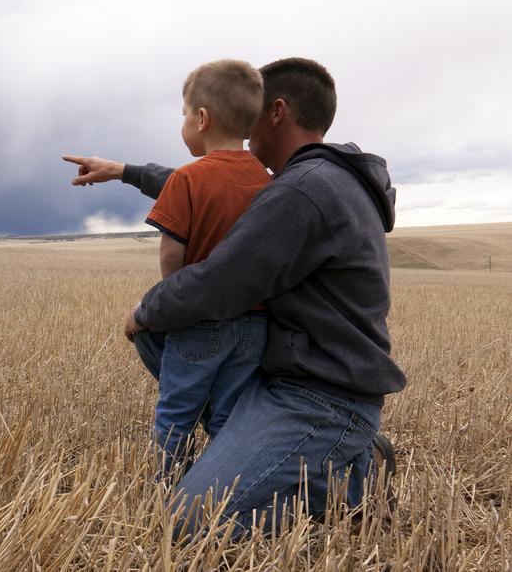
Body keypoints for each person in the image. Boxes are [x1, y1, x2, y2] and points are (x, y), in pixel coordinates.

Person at [63, 57, 405, 536]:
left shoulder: (305, 191)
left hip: (322, 399)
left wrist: (144, 311)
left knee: (187, 522)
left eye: (254, 111)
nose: (243, 126)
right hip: (288, 376)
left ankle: (351, 479)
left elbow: (216, 282)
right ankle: (259, 450)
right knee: (162, 338)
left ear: (277, 112)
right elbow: (210, 186)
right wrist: (124, 171)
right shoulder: (307, 182)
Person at [135, 59, 272, 481]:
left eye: (183, 114)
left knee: (177, 411)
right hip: (255, 324)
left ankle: (168, 491)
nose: (183, 123)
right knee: (228, 414)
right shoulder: (268, 180)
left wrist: (173, 299)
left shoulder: (187, 180)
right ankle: (221, 484)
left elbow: (171, 255)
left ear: (202, 118)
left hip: (197, 322)